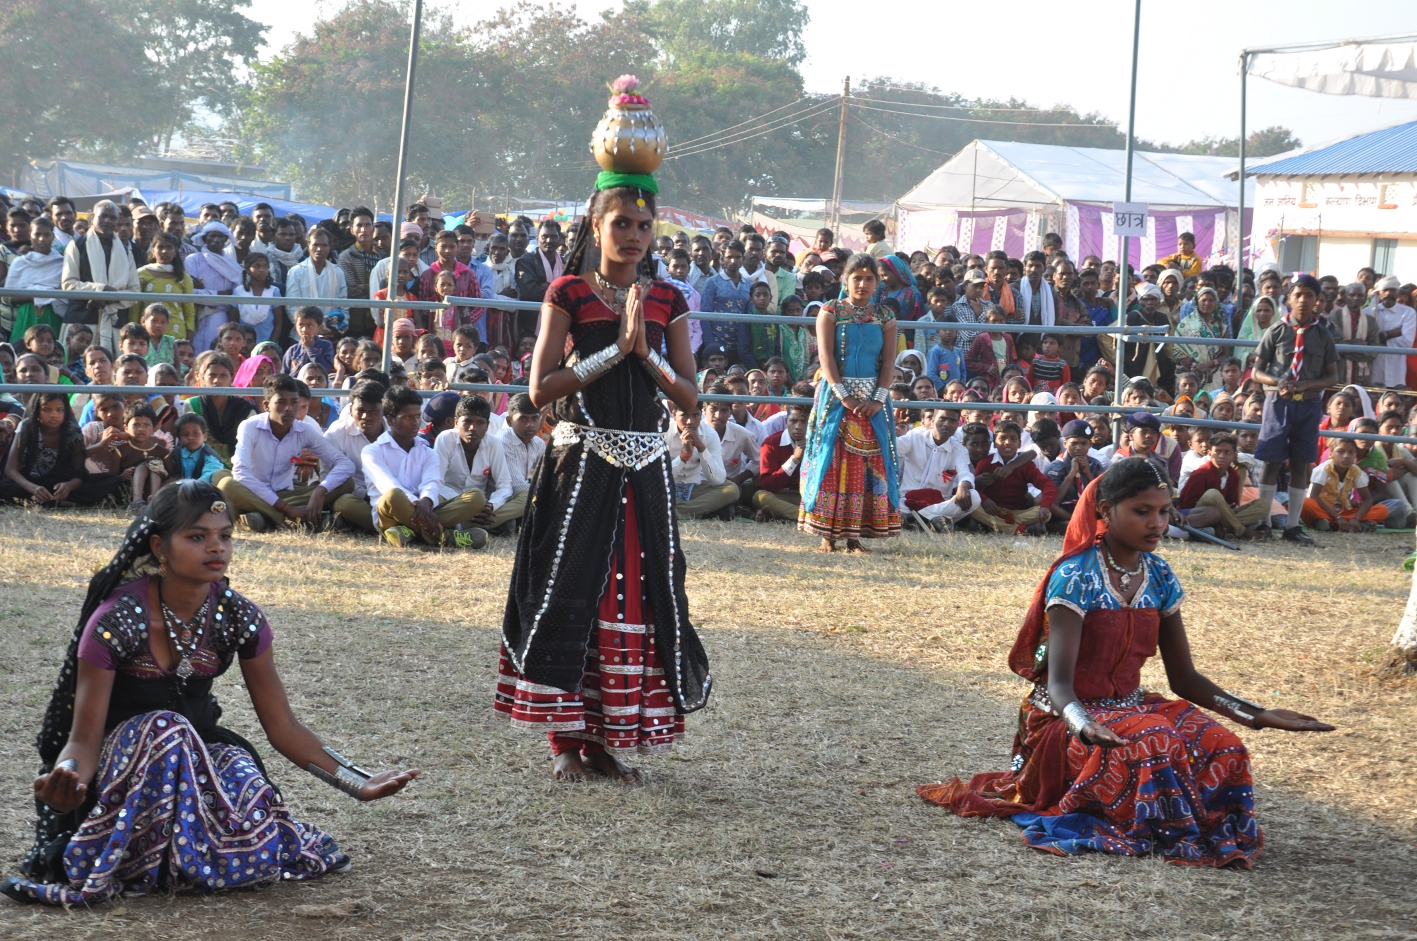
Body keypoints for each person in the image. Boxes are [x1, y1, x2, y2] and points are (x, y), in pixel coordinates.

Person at [2, 482, 419, 905]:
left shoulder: (238, 615)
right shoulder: (117, 622)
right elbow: (84, 739)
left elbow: (283, 726)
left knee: (235, 765)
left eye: (225, 535)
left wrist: (356, 782)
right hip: (121, 772)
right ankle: (148, 858)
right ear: (159, 546)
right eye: (197, 536)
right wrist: (69, 778)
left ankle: (187, 860)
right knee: (166, 729)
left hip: (194, 753)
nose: (216, 547)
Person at [918, 459, 1333, 866]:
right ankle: (1156, 824)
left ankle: (1187, 821)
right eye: (1142, 511)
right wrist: (1085, 726)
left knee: (1224, 747)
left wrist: (1256, 715)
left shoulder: (1160, 574)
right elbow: (1060, 686)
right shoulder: (1076, 576)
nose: (1157, 523)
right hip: (1064, 719)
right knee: (1156, 740)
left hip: (1131, 706)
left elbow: (1184, 678)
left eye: (1164, 511)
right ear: (1104, 511)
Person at [499, 89, 710, 784]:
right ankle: (565, 741)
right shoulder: (567, 292)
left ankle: (608, 737)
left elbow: (689, 396)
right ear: (596, 222)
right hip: (580, 461)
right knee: (572, 587)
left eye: (644, 225)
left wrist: (641, 350)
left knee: (637, 594)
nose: (634, 235)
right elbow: (539, 391)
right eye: (621, 222)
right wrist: (609, 353)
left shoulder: (667, 299)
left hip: (643, 467)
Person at [798, 253, 901, 551]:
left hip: (873, 401)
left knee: (866, 463)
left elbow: (888, 362)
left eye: (870, 279)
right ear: (845, 279)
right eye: (857, 278)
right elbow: (826, 357)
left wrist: (879, 400)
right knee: (832, 458)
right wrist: (844, 396)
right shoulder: (830, 311)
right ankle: (828, 535)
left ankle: (855, 535)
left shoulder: (885, 317)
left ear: (878, 282)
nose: (863, 284)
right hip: (835, 399)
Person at [1252, 275, 1339, 546]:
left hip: (1310, 404)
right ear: (1289, 298)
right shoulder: (1275, 331)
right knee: (1272, 460)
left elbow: (1332, 378)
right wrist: (1278, 382)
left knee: (1301, 462)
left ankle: (1292, 526)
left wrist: (1306, 384)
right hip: (1279, 403)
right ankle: (1263, 522)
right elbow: (1257, 371)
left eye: (1309, 296)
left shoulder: (1324, 334)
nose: (1303, 300)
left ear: (1317, 301)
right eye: (1298, 295)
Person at [216, 374, 355, 532]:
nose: (289, 408)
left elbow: (345, 464)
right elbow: (241, 472)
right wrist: (287, 509)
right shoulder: (250, 426)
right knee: (225, 483)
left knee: (347, 482)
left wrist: (320, 491)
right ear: (267, 405)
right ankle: (289, 521)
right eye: (281, 402)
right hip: (254, 491)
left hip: (287, 493)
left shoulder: (304, 430)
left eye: (294, 402)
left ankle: (263, 517)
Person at [361, 384, 487, 548]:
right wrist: (420, 507)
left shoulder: (427, 450)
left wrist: (426, 502)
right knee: (393, 495)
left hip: (426, 509)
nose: (415, 422)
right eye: (408, 417)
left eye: (417, 416)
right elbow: (387, 485)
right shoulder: (372, 451)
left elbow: (432, 482)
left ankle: (411, 533)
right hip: (391, 514)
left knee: (476, 497)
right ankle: (446, 537)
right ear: (391, 420)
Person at [0, 392, 122, 507]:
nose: (54, 415)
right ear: (37, 409)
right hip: (29, 481)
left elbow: (78, 473)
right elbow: (10, 470)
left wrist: (68, 486)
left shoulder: (72, 431)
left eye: (59, 410)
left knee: (111, 481)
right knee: (4, 487)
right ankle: (62, 503)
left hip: (59, 482)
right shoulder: (27, 426)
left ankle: (52, 501)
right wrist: (33, 488)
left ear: (66, 411)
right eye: (46, 410)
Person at [434, 394, 520, 536]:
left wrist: (491, 505)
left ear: (487, 426)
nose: (473, 428)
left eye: (480, 423)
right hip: (450, 502)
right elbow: (437, 482)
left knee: (525, 497)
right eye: (467, 422)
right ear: (456, 423)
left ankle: (455, 525)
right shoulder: (445, 439)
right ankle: (469, 525)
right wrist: (466, 504)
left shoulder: (494, 444)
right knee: (434, 497)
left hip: (481, 506)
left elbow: (504, 485)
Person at [59, 200, 140, 352]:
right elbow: (68, 283)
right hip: (81, 323)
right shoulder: (77, 245)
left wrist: (112, 296)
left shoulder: (126, 251)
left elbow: (135, 291)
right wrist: (100, 289)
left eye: (113, 218)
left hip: (114, 323)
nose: (108, 221)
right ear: (92, 218)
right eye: (103, 216)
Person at [897, 404, 978, 533]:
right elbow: (891, 448)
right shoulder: (914, 438)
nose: (947, 424)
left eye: (952, 421)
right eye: (942, 419)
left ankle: (915, 520)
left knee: (974, 497)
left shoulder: (959, 450)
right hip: (906, 502)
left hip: (939, 504)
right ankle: (932, 521)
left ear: (957, 425)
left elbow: (965, 473)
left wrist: (964, 485)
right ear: (933, 420)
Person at [969, 420, 1058, 535]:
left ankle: (999, 526)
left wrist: (1045, 506)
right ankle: (1017, 529)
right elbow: (976, 489)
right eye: (1002, 438)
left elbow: (1048, 485)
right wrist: (985, 500)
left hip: (1018, 512)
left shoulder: (1026, 465)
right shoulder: (986, 463)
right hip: (992, 510)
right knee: (971, 506)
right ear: (994, 443)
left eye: (1013, 439)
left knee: (1046, 514)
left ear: (1020, 443)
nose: (1008, 442)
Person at [1177, 432, 1269, 540]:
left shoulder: (1233, 475)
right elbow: (1188, 504)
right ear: (1209, 453)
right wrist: (1219, 506)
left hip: (1222, 515)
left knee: (1264, 505)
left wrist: (1223, 508)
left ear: (1234, 456)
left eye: (1227, 452)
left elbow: (1232, 503)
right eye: (1218, 452)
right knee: (1213, 494)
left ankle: (1222, 527)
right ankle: (1241, 531)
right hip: (1198, 513)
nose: (1221, 456)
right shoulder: (1201, 473)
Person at [665, 400, 739, 520]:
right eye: (684, 415)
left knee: (731, 489)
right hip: (667, 488)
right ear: (674, 415)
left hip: (694, 489)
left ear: (701, 415)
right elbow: (660, 477)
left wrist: (701, 448)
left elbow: (718, 480)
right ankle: (698, 511)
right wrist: (683, 458)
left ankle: (677, 511)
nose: (690, 421)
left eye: (695, 415)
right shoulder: (663, 432)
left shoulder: (710, 435)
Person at [1302, 437, 1388, 533]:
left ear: (1355, 455)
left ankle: (1332, 524)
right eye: (1340, 452)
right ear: (1331, 455)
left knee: (1382, 510)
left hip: (1344, 511)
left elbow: (1368, 499)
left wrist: (1356, 518)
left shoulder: (1356, 472)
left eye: (1351, 452)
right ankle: (1344, 524)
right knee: (1306, 504)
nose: (1346, 456)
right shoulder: (1323, 469)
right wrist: (1337, 517)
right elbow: (1314, 496)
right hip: (1323, 510)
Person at [1369, 275, 1416, 388]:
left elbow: (1406, 343)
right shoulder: (1368, 312)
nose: (1388, 293)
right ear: (1379, 293)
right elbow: (1368, 341)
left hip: (1396, 371)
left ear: (1397, 293)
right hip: (1374, 370)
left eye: (1392, 290)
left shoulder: (1408, 313)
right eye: (1385, 290)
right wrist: (1390, 334)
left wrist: (1380, 339)